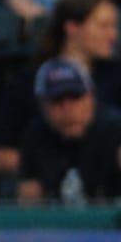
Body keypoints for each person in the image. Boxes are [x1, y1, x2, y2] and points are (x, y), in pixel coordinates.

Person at [0, 0, 121, 176]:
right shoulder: (27, 82)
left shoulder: (116, 77)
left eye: (113, 26)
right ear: (72, 28)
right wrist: (51, 165)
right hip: (47, 198)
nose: (113, 35)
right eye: (103, 26)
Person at [17, 57, 121, 203]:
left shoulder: (115, 130)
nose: (68, 109)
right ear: (42, 105)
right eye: (57, 100)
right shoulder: (35, 135)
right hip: (58, 224)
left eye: (75, 96)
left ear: (90, 97)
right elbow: (29, 206)